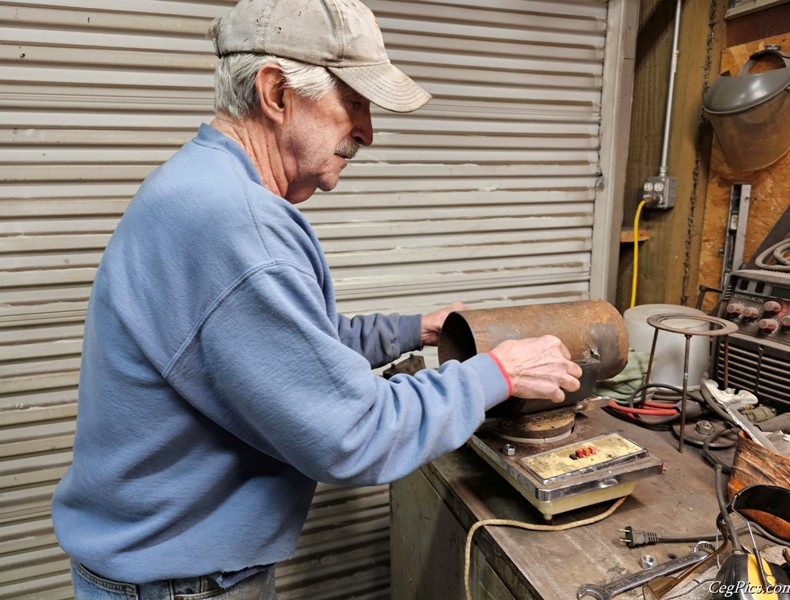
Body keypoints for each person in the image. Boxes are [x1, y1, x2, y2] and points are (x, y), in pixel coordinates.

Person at [51, 0, 583, 598]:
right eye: (353, 103)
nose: (367, 132)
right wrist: (499, 373)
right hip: (181, 585)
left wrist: (416, 330)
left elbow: (285, 349)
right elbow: (355, 435)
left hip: (165, 570)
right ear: (276, 93)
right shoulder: (234, 225)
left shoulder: (201, 185)